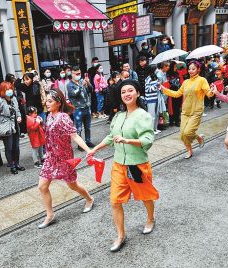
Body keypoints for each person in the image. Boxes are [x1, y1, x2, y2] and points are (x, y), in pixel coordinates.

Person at [90, 79, 159, 252]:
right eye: (123, 92)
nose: (126, 94)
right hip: (119, 165)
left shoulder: (143, 115)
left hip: (137, 165)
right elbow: (111, 137)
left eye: (130, 91)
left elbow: (147, 140)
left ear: (138, 93)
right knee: (114, 201)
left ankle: (151, 218)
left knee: (145, 197)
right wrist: (95, 149)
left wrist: (127, 140)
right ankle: (121, 235)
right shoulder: (119, 116)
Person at [37, 89, 94, 229]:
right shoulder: (48, 116)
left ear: (58, 102)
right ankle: (50, 215)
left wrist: (89, 151)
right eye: (46, 100)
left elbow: (75, 136)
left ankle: (89, 199)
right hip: (51, 158)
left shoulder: (63, 117)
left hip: (64, 159)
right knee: (42, 186)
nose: (46, 103)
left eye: (50, 101)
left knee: (72, 185)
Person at [161, 61, 213, 159]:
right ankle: (190, 148)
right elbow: (177, 94)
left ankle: (197, 137)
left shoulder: (202, 80)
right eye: (189, 69)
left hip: (196, 111)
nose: (191, 71)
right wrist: (163, 89)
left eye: (193, 69)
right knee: (182, 135)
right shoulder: (186, 82)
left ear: (198, 69)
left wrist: (213, 91)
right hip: (185, 112)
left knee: (188, 133)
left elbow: (208, 93)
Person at [0, 82, 24, 175]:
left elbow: (17, 110)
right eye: (7, 89)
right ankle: (11, 166)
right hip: (6, 127)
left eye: (10, 89)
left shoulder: (14, 99)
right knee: (9, 147)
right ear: (2, 91)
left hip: (15, 125)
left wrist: (19, 116)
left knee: (16, 147)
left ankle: (17, 164)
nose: (9, 91)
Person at [67, 66, 95, 150]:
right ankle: (80, 144)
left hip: (87, 107)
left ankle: (88, 141)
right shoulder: (70, 85)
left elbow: (91, 90)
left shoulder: (82, 81)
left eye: (79, 73)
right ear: (72, 74)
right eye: (77, 74)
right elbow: (74, 94)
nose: (79, 75)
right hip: (78, 109)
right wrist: (81, 86)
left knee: (88, 126)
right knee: (78, 128)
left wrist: (88, 83)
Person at [145, 65, 162, 134]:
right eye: (156, 69)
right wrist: (156, 85)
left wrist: (158, 85)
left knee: (156, 114)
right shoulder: (148, 78)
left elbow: (156, 87)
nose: (157, 70)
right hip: (150, 99)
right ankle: (151, 130)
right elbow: (147, 89)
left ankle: (155, 128)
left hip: (156, 97)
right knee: (151, 115)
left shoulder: (155, 77)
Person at [167, 61, 183, 127]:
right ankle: (172, 121)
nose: (176, 67)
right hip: (172, 92)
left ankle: (177, 120)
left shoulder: (177, 72)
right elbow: (168, 82)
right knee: (172, 107)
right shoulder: (168, 74)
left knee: (178, 107)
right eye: (175, 66)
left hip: (178, 91)